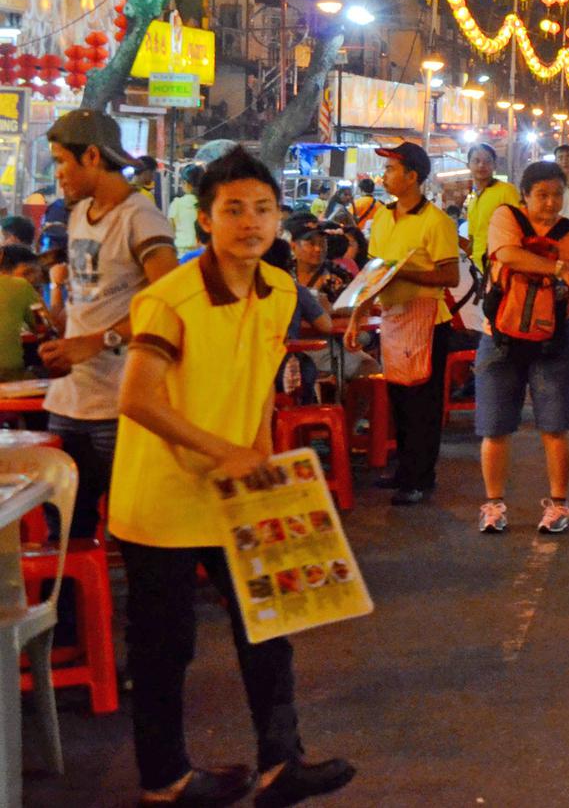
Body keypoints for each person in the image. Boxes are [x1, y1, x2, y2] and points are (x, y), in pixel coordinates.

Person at [111, 147, 355, 807]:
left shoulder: (280, 293)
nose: (251, 222)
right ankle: (165, 781)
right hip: (159, 499)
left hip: (234, 492)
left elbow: (257, 384)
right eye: (234, 210)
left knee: (270, 623)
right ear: (205, 221)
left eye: (263, 209)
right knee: (166, 648)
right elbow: (136, 399)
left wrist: (259, 459)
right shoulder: (171, 297)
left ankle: (282, 764)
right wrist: (225, 451)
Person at [42, 109, 180, 542]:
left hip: (120, 401)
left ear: (93, 157)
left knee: (133, 523)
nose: (58, 173)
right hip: (70, 400)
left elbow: (171, 303)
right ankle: (71, 611)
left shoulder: (142, 218)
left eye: (62, 161)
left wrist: (99, 341)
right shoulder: (80, 212)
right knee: (63, 525)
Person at [477, 161, 569, 536]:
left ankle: (558, 503)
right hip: (500, 335)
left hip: (554, 338)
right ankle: (492, 503)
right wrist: (559, 269)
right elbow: (507, 254)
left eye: (557, 195)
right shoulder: (507, 218)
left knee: (555, 424)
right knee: (495, 426)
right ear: (525, 196)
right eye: (542, 195)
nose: (550, 204)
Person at [351, 143, 460, 506]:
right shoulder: (382, 217)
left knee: (422, 404)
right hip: (394, 318)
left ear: (413, 176)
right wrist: (357, 316)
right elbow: (373, 274)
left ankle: (420, 477)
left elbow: (450, 275)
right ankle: (404, 471)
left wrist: (406, 270)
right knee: (399, 396)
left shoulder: (437, 221)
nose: (385, 176)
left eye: (393, 169)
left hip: (429, 321)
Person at [464, 144, 519, 271]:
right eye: (476, 161)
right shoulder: (472, 196)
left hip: (501, 266)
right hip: (479, 265)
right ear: (468, 165)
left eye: (487, 161)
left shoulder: (507, 191)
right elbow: (473, 235)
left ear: (495, 165)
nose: (481, 165)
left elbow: (519, 226)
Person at [0, 243, 48, 379]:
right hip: (8, 376)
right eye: (27, 273)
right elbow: (45, 330)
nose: (33, 279)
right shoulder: (19, 285)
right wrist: (57, 286)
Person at [168, 164, 203, 253]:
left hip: (181, 253)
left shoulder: (177, 204)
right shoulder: (206, 204)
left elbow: (170, 231)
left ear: (185, 183)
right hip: (201, 252)